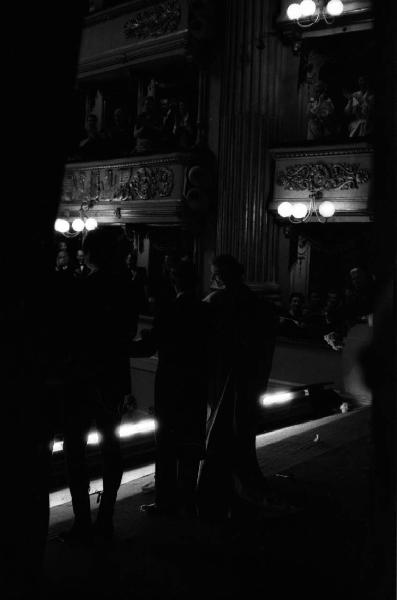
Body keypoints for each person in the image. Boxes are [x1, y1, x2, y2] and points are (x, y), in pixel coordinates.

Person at [60, 227, 138, 543]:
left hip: (81, 379)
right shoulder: (128, 287)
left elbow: (71, 337)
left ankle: (82, 522)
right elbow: (127, 333)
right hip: (114, 378)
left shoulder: (82, 288)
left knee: (75, 451)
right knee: (111, 447)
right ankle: (105, 518)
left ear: (91, 253)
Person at [197, 255, 279, 525]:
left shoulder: (217, 302)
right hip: (249, 379)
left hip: (224, 377)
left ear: (222, 275)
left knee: (219, 431)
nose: (213, 279)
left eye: (215, 274)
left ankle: (219, 488)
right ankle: (239, 483)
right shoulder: (257, 304)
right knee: (241, 432)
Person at [129, 259, 208, 517]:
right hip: (196, 383)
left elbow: (150, 346)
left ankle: (165, 501)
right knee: (191, 441)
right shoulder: (204, 310)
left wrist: (119, 348)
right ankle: (188, 497)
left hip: (171, 383)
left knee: (166, 444)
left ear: (174, 280)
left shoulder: (170, 309)